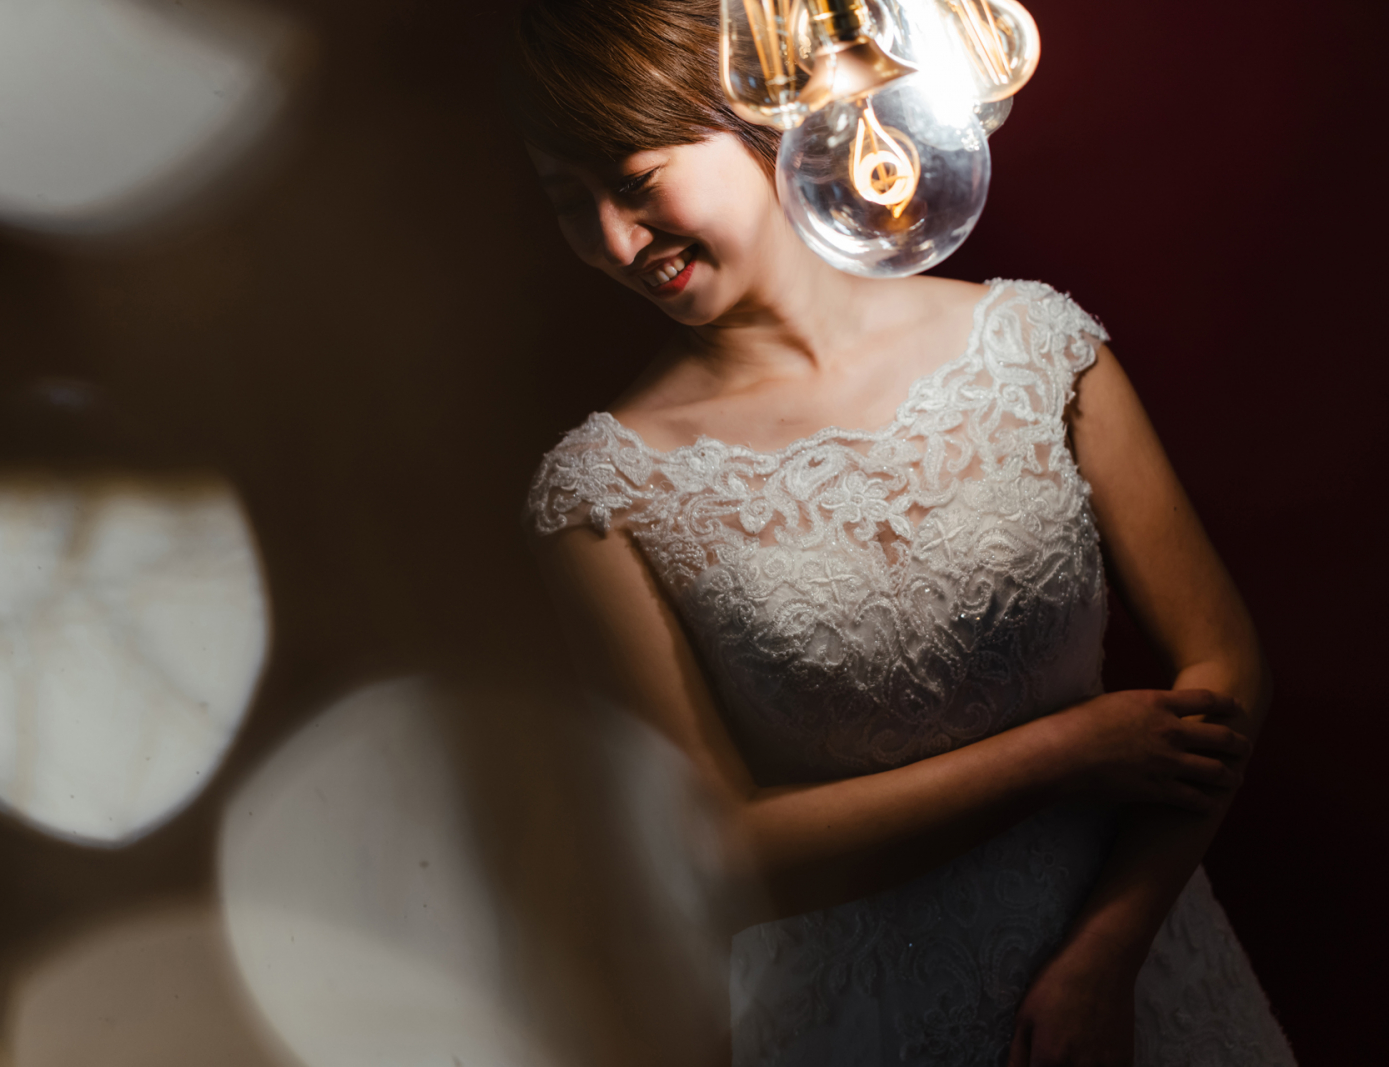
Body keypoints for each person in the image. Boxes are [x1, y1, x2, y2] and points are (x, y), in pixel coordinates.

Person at [512, 1, 1299, 1064]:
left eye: (635, 179)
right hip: (857, 1019)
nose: (613, 238)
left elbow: (1227, 663)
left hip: (1140, 964)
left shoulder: (1032, 344)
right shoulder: (602, 491)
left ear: (759, 119)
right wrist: (1064, 748)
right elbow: (709, 842)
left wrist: (1108, 952)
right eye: (569, 202)